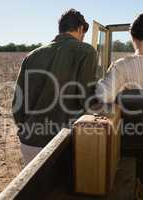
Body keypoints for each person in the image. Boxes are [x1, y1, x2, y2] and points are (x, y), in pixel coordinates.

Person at [12, 9, 98, 164]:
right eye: (83, 33)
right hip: (63, 144)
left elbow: (17, 103)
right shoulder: (86, 51)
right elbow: (87, 100)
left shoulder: (32, 55)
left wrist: (25, 130)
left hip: (29, 143)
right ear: (80, 29)